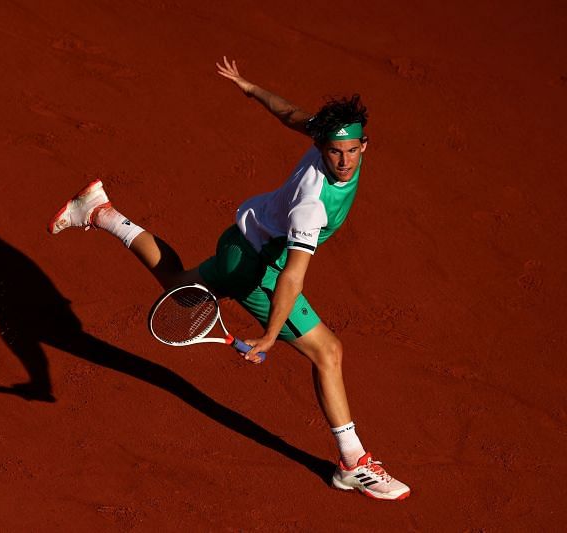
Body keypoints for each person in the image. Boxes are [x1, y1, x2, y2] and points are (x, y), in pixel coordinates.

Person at [47, 57, 410, 501]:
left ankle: (101, 213)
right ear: (321, 148)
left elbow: (291, 114)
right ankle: (352, 463)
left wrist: (250, 87)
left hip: (239, 240)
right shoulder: (311, 207)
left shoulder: (328, 138)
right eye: (336, 152)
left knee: (179, 286)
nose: (345, 161)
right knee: (327, 352)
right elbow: (292, 279)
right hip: (256, 268)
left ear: (364, 144)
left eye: (353, 150)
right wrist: (271, 336)